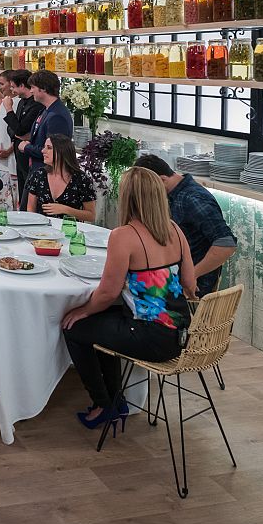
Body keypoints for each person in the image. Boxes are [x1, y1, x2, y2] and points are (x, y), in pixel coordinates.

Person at [62, 167, 195, 430]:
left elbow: (107, 293)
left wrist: (83, 311)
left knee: (75, 328)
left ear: (128, 198)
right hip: (180, 333)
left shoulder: (124, 236)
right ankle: (115, 401)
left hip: (150, 336)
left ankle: (104, 404)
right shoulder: (174, 230)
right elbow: (190, 285)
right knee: (103, 326)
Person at [134, 154, 237, 296]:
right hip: (170, 275)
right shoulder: (172, 193)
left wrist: (192, 275)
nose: (145, 194)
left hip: (190, 287)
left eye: (146, 188)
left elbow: (226, 244)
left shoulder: (192, 199)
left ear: (162, 180)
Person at [26, 134, 96, 222]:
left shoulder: (81, 179)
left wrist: (66, 210)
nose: (43, 151)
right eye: (44, 147)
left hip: (69, 231)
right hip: (42, 230)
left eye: (49, 148)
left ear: (61, 151)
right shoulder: (38, 175)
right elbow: (30, 208)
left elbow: (91, 216)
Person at [17, 70, 74, 173]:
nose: (31, 91)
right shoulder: (46, 109)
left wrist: (26, 147)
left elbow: (54, 151)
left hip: (47, 172)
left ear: (43, 88)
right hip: (37, 169)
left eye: (33, 87)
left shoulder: (57, 116)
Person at [2, 69, 45, 205]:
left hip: (29, 153)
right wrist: (17, 133)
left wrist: (8, 109)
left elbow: (19, 128)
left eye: (13, 87)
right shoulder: (21, 102)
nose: (12, 91)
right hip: (18, 150)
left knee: (29, 188)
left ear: (22, 86)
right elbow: (12, 128)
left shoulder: (36, 104)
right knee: (21, 186)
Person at [0, 70, 20, 209]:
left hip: (13, 156)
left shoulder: (19, 102)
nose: (0, 87)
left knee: (16, 196)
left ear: (11, 84)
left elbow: (20, 130)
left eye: (2, 84)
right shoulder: (2, 102)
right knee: (3, 199)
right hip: (0, 157)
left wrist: (10, 149)